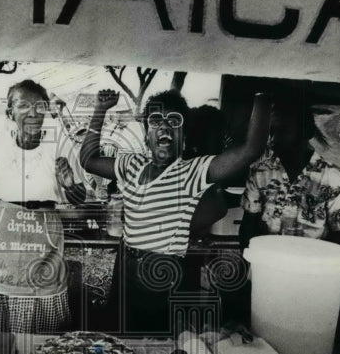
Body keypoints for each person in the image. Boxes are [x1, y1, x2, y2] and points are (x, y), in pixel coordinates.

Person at [81, 87, 271, 335]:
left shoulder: (193, 171)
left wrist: (263, 95)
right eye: (156, 120)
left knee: (155, 343)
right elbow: (87, 159)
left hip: (163, 272)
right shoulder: (131, 164)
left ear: (183, 134)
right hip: (125, 265)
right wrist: (100, 110)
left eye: (174, 121)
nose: (164, 127)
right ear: (147, 132)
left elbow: (250, 150)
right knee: (118, 335)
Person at [0, 79, 86, 333]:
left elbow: (80, 197)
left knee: (40, 337)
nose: (33, 113)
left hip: (42, 248)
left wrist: (69, 186)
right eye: (23, 106)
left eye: (40, 106)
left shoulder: (59, 145)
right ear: (10, 112)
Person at [238, 92, 340, 248]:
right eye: (271, 131)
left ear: (307, 131)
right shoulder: (259, 173)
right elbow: (247, 232)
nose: (273, 139)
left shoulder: (338, 181)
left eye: (284, 129)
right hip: (267, 267)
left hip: (310, 270)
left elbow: (339, 244)